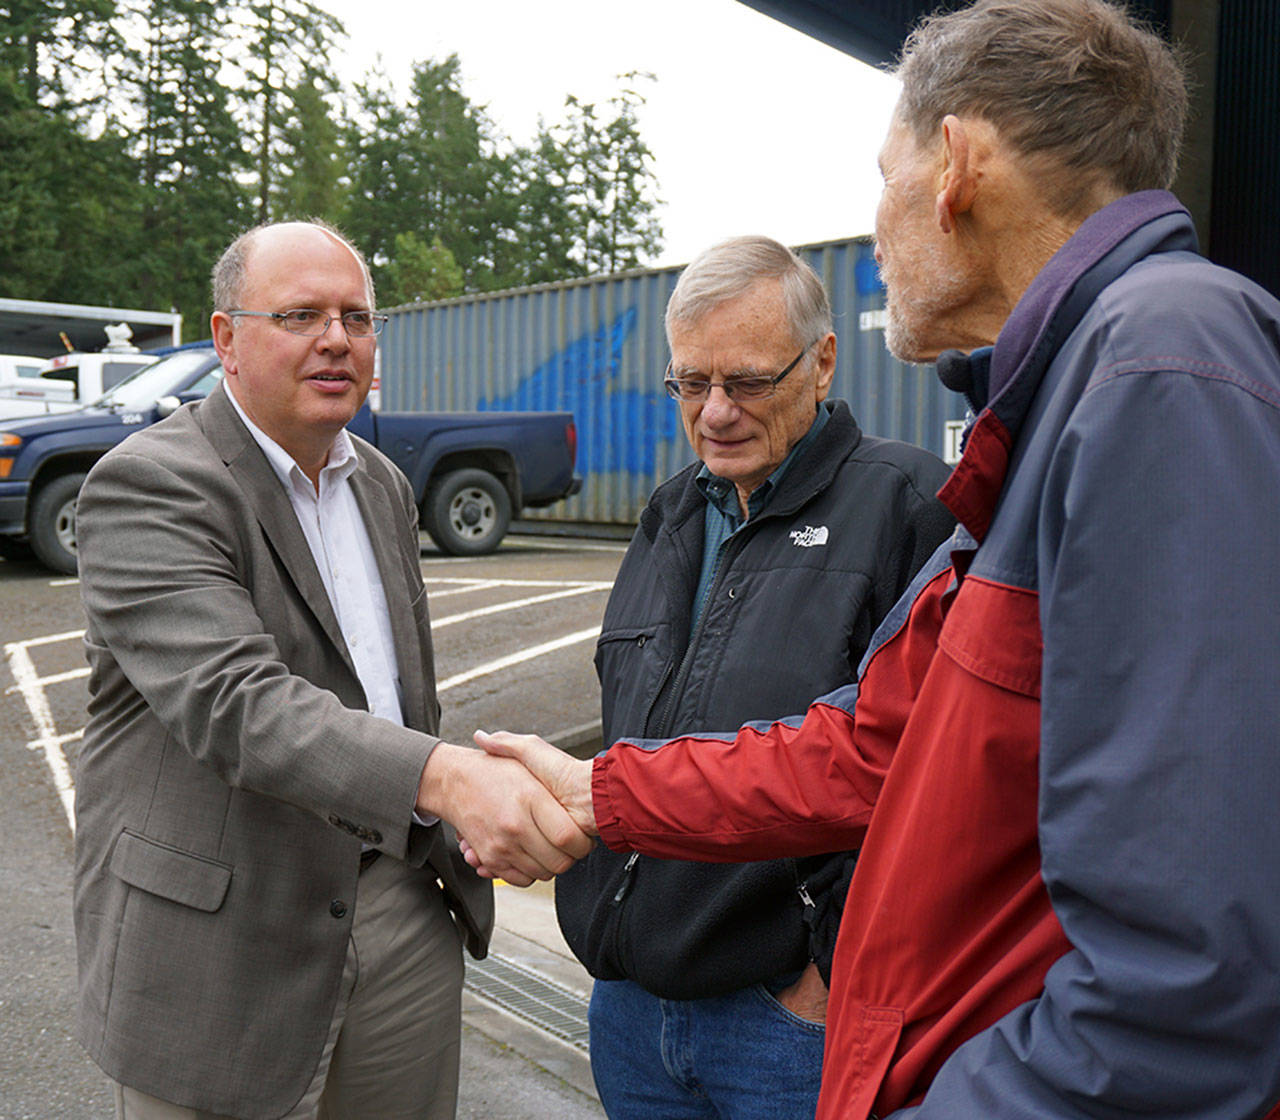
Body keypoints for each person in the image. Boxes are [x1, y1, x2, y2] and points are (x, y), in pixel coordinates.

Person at [469, 2, 1280, 1116]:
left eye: (881, 174)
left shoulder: (1160, 365)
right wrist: (600, 788)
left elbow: (1183, 981)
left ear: (951, 167)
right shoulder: (1069, 398)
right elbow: (864, 747)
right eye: (690, 383)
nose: (878, 219)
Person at [73, 220, 591, 1120]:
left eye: (356, 318)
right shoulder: (148, 485)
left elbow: (393, 698)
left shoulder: (382, 483)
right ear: (227, 338)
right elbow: (237, 703)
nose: (335, 340)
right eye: (301, 315)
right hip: (223, 937)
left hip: (398, 906)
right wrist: (448, 778)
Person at [555, 236, 953, 1118]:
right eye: (691, 385)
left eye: (747, 382)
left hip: (784, 1022)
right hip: (628, 1008)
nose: (717, 413)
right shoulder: (668, 514)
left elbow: (922, 777)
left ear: (822, 363)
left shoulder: (908, 505)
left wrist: (823, 975)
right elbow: (630, 719)